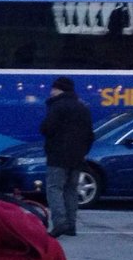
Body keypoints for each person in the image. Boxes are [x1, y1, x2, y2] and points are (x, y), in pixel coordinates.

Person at [40, 76, 94, 237]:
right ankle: (71, 225)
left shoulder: (57, 106)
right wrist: (83, 152)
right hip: (77, 156)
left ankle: (60, 223)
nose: (51, 91)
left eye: (53, 88)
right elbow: (90, 135)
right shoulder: (83, 108)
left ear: (59, 89)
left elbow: (47, 128)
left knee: (54, 189)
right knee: (71, 190)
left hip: (58, 154)